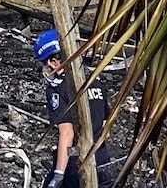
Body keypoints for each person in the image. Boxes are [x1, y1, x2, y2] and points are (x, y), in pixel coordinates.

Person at [33, 29, 114, 188]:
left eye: (46, 62)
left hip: (77, 160)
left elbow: (67, 133)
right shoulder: (95, 80)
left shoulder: (57, 89)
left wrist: (59, 174)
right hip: (102, 158)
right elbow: (107, 129)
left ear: (53, 61)